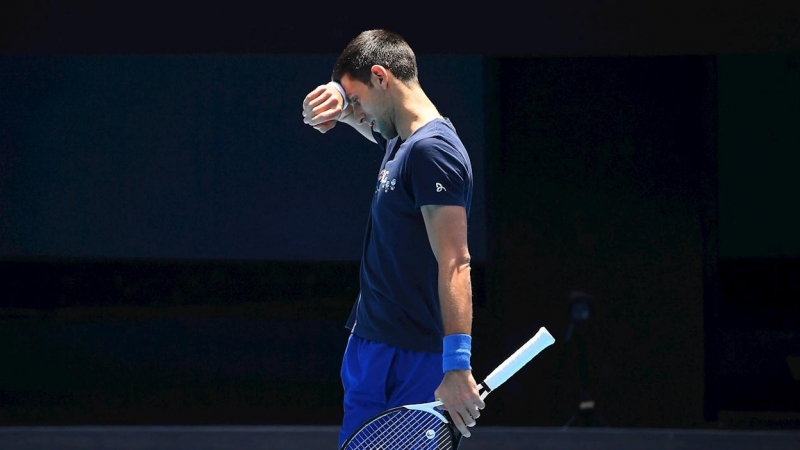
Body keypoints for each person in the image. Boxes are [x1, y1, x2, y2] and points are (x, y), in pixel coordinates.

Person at [300, 29, 484, 447]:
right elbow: (370, 122)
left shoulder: (433, 151)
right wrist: (341, 100)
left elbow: (456, 261)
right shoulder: (402, 142)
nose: (356, 111)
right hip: (371, 344)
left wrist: (457, 366)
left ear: (381, 77)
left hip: (412, 356)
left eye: (357, 99)